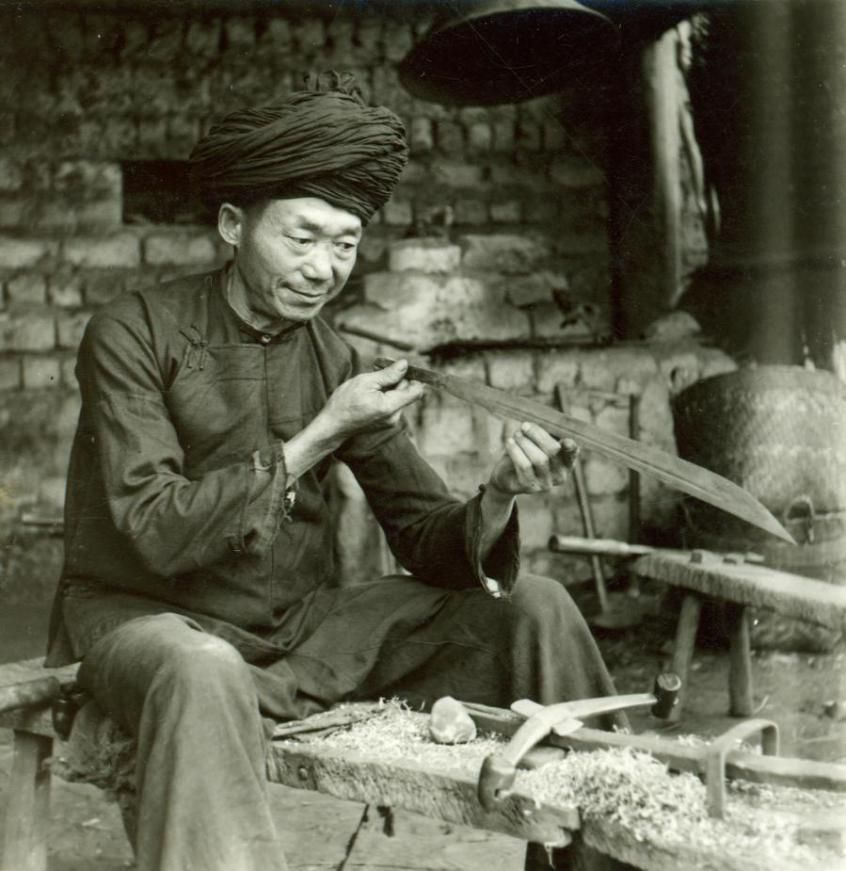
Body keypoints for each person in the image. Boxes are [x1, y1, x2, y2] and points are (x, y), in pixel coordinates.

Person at [44, 73, 624, 871]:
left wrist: (499, 490)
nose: (324, 268)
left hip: (298, 638)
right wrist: (322, 433)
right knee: (203, 669)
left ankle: (603, 858)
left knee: (536, 605)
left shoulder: (336, 358)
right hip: (152, 627)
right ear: (232, 225)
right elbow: (156, 528)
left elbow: (426, 538)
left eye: (345, 244)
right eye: (303, 238)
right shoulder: (132, 333)